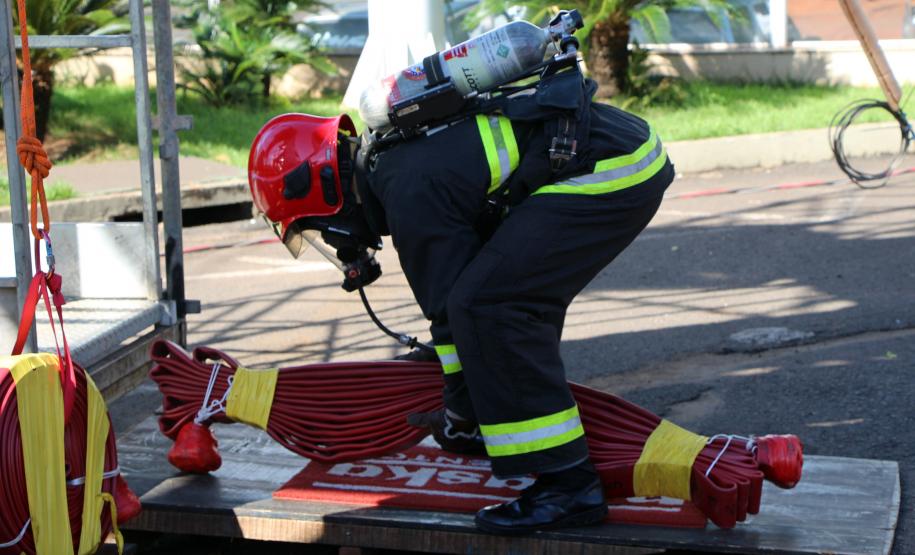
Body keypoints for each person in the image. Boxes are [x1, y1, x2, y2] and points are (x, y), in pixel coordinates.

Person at [248, 66, 675, 534]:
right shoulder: (393, 157)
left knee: (489, 307)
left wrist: (458, 415)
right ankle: (535, 444)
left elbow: (452, 311)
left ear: (324, 192)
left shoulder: (406, 189)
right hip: (612, 148)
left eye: (314, 230)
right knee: (501, 297)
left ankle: (569, 487)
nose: (335, 244)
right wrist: (467, 385)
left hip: (612, 168)